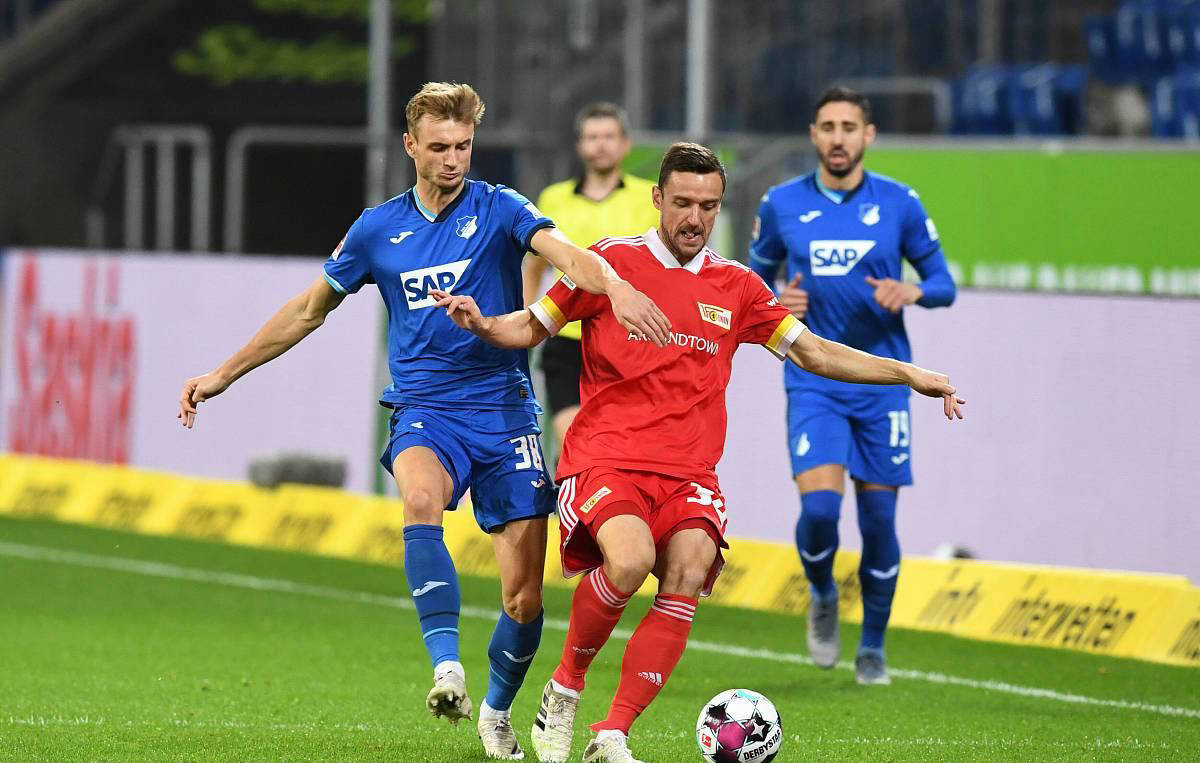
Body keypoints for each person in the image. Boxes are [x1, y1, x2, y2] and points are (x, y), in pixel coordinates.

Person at [176, 81, 671, 761]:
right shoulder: (377, 229)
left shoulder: (501, 208)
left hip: (503, 410)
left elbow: (566, 255)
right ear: (410, 145)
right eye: (439, 147)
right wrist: (223, 374)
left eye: (463, 146)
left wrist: (613, 283)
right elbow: (308, 310)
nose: (453, 159)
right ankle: (447, 668)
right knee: (418, 500)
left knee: (524, 600)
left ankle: (495, 710)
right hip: (425, 408)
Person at [432, 142, 964, 763]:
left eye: (708, 207)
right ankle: (565, 689)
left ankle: (613, 732)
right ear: (658, 198)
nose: (695, 218)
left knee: (688, 570)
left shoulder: (738, 286)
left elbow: (815, 352)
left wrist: (908, 374)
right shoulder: (608, 264)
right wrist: (484, 325)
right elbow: (534, 325)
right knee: (630, 560)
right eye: (683, 203)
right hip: (607, 459)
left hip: (689, 473)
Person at [747, 86, 958, 685]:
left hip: (883, 382)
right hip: (813, 379)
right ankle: (821, 591)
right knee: (819, 511)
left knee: (878, 522)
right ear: (813, 135)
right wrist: (775, 299)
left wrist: (914, 291)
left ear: (868, 135)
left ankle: (872, 649)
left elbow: (944, 284)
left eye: (848, 127)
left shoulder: (900, 203)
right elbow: (748, 280)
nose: (837, 138)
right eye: (827, 127)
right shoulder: (782, 203)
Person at [522, 102, 659, 449]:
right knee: (574, 439)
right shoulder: (554, 198)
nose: (601, 145)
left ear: (625, 144)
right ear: (580, 145)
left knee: (621, 442)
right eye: (592, 137)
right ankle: (571, 480)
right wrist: (522, 324)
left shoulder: (650, 198)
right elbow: (534, 268)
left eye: (609, 136)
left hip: (629, 337)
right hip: (567, 335)